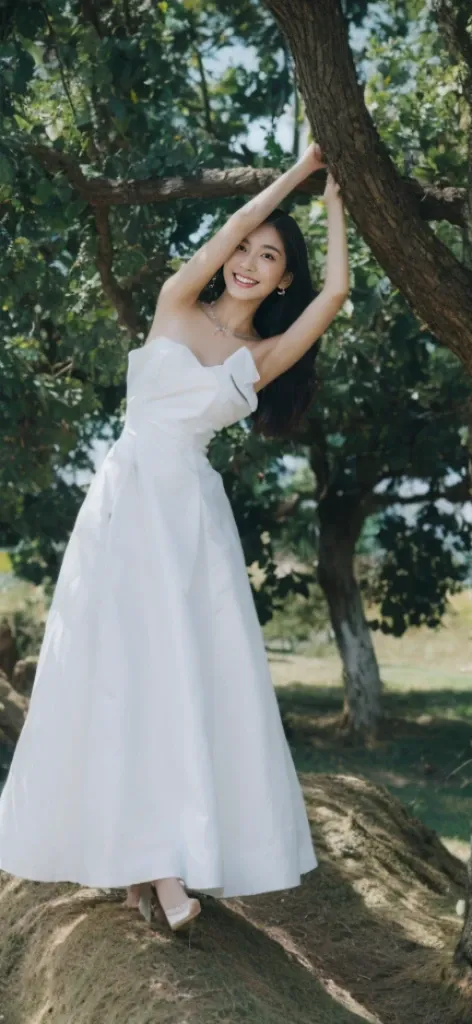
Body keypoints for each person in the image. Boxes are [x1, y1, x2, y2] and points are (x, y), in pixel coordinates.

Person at [0, 142, 349, 934]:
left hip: (189, 524)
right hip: (125, 508)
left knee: (176, 681)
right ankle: (153, 869)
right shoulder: (174, 305)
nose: (250, 262)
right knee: (119, 676)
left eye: (269, 259)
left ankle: (153, 863)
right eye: (245, 250)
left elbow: (335, 291)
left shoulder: (258, 357)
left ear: (280, 278)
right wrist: (301, 169)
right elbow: (237, 218)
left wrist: (336, 202)